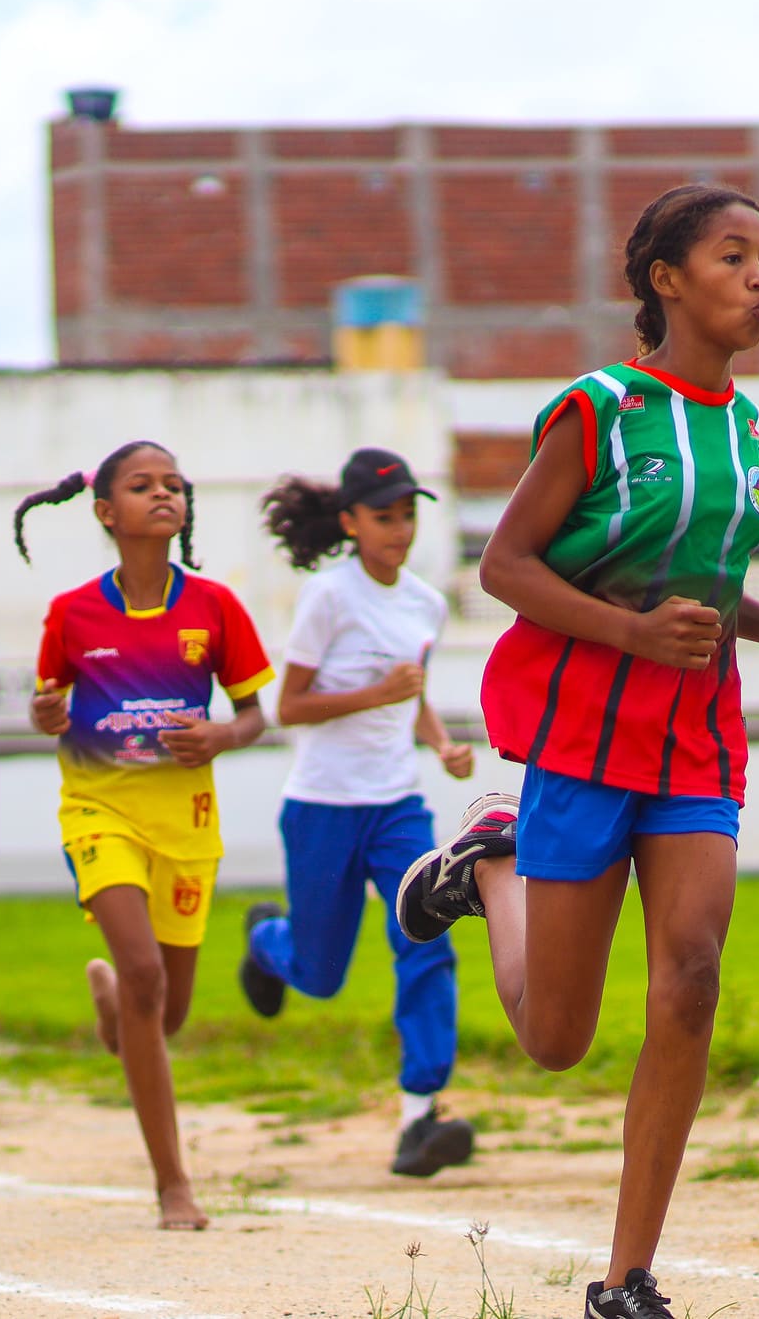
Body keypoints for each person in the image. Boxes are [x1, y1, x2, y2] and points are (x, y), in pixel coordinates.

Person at [393, 184, 759, 1319]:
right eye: (733, 257)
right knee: (556, 1038)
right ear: (666, 279)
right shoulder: (598, 409)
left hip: (694, 742)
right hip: (582, 734)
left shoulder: (748, 427)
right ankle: (490, 869)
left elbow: (699, 579)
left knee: (690, 977)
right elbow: (505, 567)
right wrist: (632, 633)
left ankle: (624, 1277)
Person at [18, 440, 273, 1230]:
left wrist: (221, 735)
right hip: (99, 811)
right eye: (142, 485)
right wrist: (45, 714)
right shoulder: (71, 613)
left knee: (162, 1014)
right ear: (106, 511)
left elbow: (255, 715)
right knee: (143, 971)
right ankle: (174, 1185)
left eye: (173, 484)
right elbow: (47, 705)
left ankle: (114, 1012)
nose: (163, 494)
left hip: (186, 826)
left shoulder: (216, 606)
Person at [245, 448, 477, 1178]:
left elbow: (412, 692)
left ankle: (421, 1114)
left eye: (408, 514)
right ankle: (267, 939)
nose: (399, 529)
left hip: (397, 805)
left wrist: (440, 743)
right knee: (320, 975)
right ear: (350, 522)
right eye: (384, 517)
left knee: (426, 939)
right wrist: (377, 695)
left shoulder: (425, 603)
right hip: (322, 806)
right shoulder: (328, 596)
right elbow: (290, 706)